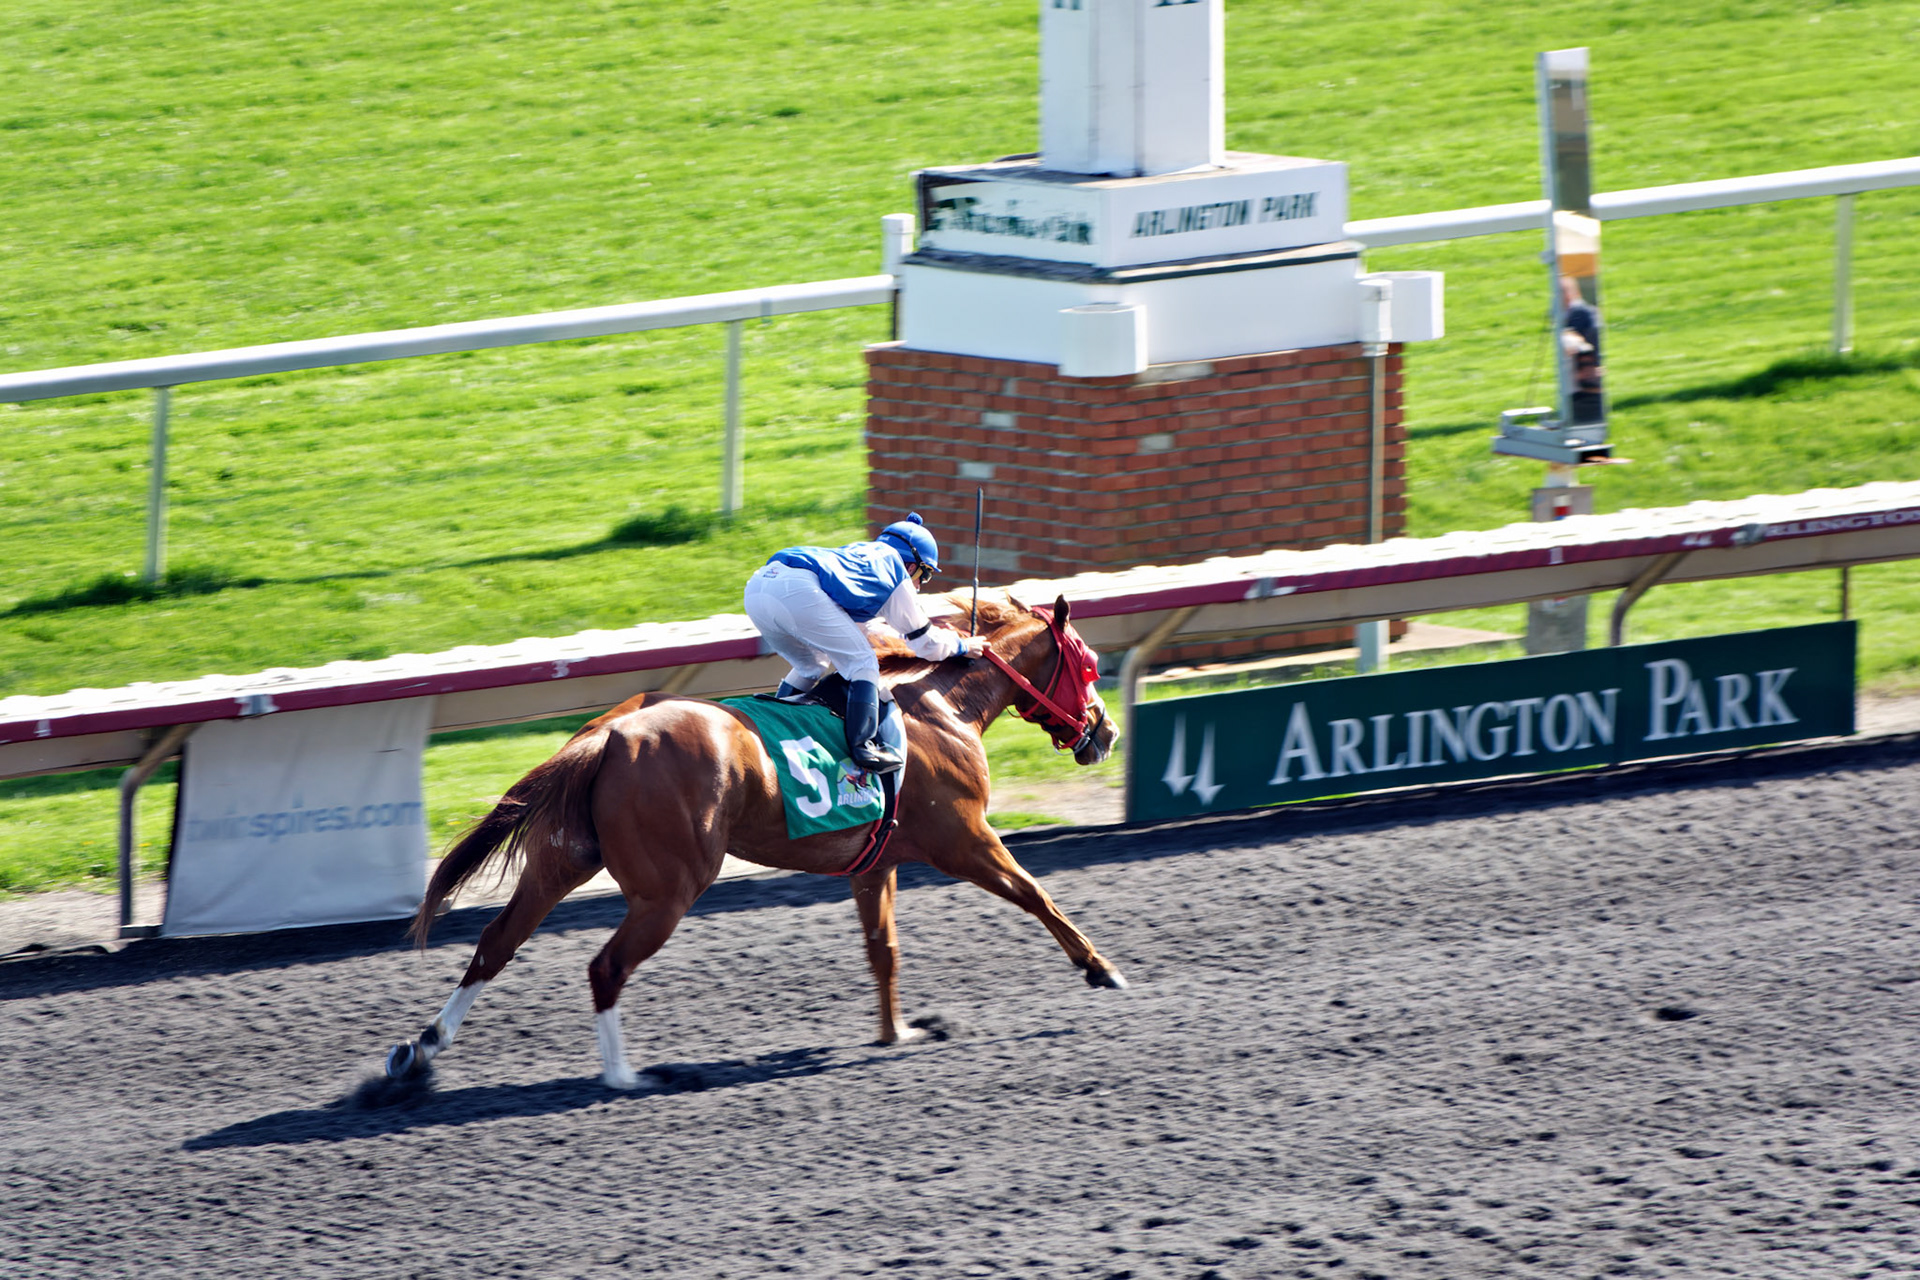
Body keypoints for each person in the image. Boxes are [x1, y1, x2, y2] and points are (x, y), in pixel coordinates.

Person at [743, 513, 987, 774]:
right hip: (797, 590)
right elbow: (925, 644)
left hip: (758, 587)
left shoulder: (863, 558)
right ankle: (864, 747)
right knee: (862, 664)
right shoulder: (897, 575)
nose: (919, 587)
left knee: (812, 664)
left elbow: (860, 630)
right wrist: (962, 646)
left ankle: (777, 727)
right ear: (913, 566)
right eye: (924, 576)